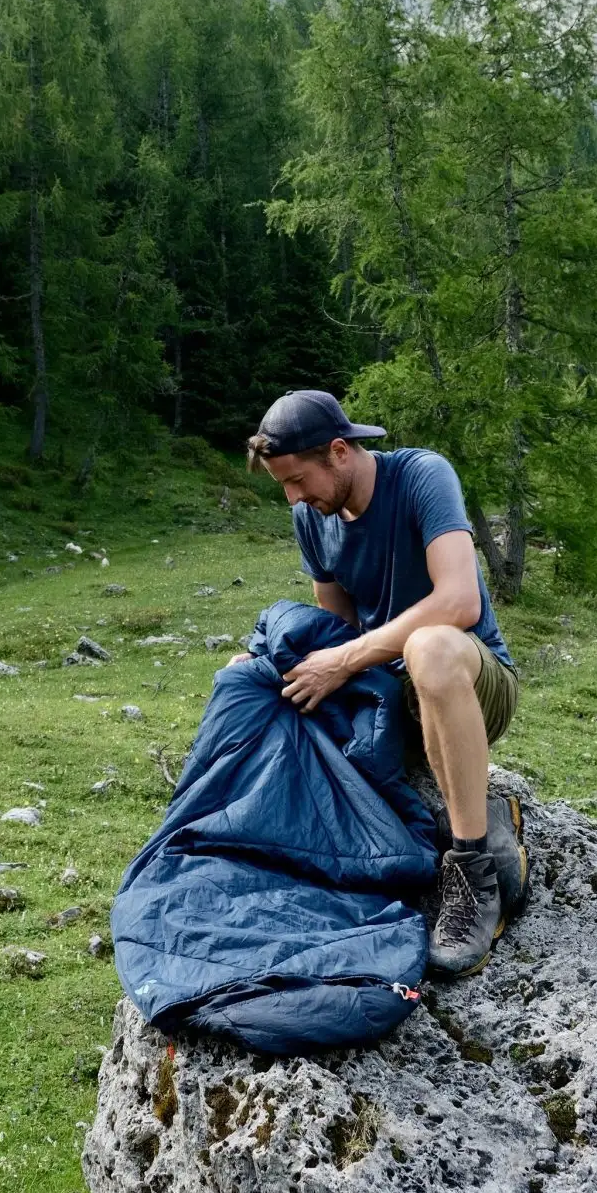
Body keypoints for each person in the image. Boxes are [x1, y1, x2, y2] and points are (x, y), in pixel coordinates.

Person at [241, 388, 524, 976]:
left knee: (430, 647)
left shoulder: (423, 475)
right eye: (283, 486)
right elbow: (335, 631)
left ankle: (472, 873)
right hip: (392, 703)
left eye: (298, 480)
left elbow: (459, 600)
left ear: (339, 451)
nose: (294, 498)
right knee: (254, 676)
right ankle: (475, 816)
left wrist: (343, 662)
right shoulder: (311, 520)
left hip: (471, 680)